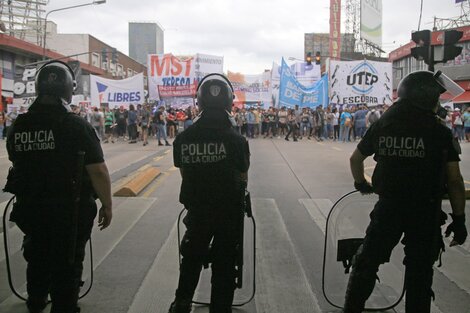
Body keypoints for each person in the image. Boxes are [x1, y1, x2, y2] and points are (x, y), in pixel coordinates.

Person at [343, 71, 467, 313]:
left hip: (389, 207)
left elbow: (355, 159)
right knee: (420, 273)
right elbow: (454, 180)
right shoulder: (440, 132)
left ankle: (351, 309)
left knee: (366, 262)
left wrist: (361, 184)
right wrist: (459, 219)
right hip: (425, 210)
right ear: (427, 98)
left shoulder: (384, 125)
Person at [4, 60, 113, 313]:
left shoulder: (18, 125)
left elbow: (17, 161)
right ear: (68, 89)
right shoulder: (76, 125)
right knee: (68, 261)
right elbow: (97, 170)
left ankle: (36, 300)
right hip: (68, 210)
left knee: (36, 254)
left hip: (30, 208)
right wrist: (107, 205)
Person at [169, 73, 250, 313]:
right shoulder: (237, 140)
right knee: (225, 265)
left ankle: (182, 303)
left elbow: (185, 173)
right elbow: (242, 176)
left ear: (199, 102)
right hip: (228, 214)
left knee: (191, 260)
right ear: (229, 102)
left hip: (198, 211)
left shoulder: (184, 139)